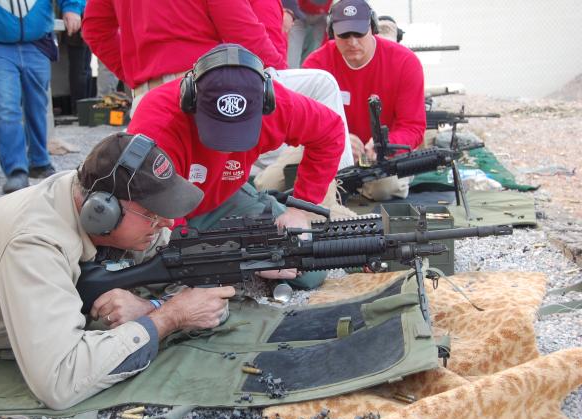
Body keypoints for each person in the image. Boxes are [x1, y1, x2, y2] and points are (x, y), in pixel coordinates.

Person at [0, 132, 238, 417]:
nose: (168, 222)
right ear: (102, 211)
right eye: (152, 214)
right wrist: (167, 318)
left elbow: (188, 281)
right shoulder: (34, 245)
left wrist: (153, 306)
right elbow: (60, 380)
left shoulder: (87, 196)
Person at [128, 44, 346, 289]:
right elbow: (163, 234)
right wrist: (240, 261)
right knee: (170, 281)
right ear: (191, 101)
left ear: (265, 103)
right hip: (161, 214)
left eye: (239, 132)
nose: (226, 147)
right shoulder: (158, 121)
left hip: (221, 196)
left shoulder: (280, 106)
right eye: (216, 130)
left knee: (303, 264)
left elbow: (329, 131)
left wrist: (299, 208)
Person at [82, 0, 353, 170]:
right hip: (209, 90)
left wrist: (137, 75)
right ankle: (343, 185)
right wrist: (276, 84)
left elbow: (94, 29)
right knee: (323, 84)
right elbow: (240, 28)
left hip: (151, 99)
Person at [0, 0, 84, 193]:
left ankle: (40, 161)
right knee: (6, 108)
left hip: (37, 42)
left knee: (37, 105)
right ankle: (16, 171)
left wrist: (72, 7)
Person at [302, 0, 426, 201]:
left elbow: (413, 127)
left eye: (359, 33)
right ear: (332, 33)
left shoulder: (405, 62)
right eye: (344, 34)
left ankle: (341, 186)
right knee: (270, 182)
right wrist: (339, 139)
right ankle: (343, 184)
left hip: (384, 153)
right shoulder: (316, 65)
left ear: (373, 29)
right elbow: (303, 121)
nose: (352, 42)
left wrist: (384, 145)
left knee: (383, 189)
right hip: (329, 148)